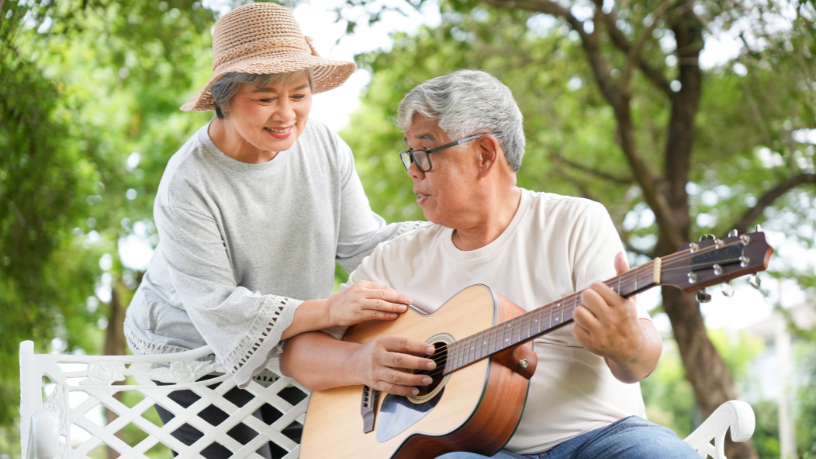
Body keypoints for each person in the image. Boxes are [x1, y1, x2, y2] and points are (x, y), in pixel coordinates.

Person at [280, 70, 700, 458]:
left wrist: (626, 347)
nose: (412, 170)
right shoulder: (397, 258)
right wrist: (361, 363)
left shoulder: (575, 221)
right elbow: (298, 353)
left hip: (601, 439)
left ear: (484, 153)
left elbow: (640, 362)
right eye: (408, 154)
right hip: (477, 451)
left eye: (424, 152)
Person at [123, 3, 417, 458]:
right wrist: (331, 309)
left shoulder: (323, 145)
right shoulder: (187, 182)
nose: (286, 114)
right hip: (188, 345)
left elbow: (363, 246)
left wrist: (449, 233)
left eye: (299, 95)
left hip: (288, 335)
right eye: (265, 98)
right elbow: (218, 306)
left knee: (312, 448)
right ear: (222, 99)